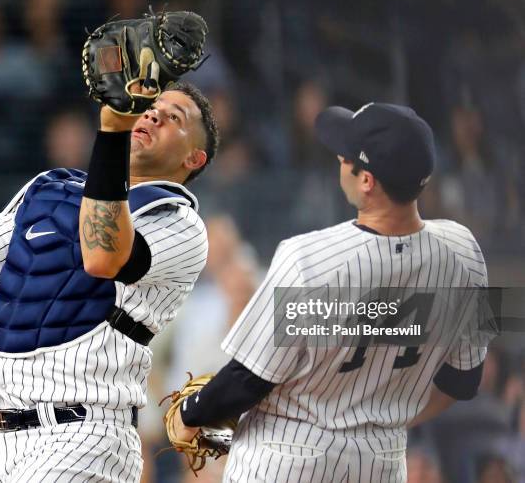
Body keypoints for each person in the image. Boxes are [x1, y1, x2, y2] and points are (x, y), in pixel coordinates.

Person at [0, 80, 218, 482]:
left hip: (86, 437)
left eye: (174, 118)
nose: (154, 114)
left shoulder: (179, 221)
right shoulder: (49, 193)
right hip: (6, 444)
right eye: (151, 105)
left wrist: (112, 131)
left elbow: (102, 256)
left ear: (194, 158)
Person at [169, 102, 491, 482]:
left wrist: (191, 412)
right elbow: (463, 382)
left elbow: (248, 380)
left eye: (346, 155)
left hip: (286, 463)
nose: (339, 157)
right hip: (380, 466)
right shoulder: (464, 252)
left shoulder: (307, 257)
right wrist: (381, 421)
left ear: (366, 180)